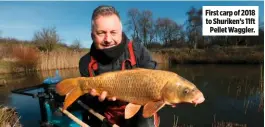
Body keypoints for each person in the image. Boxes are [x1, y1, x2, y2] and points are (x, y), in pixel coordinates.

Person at [78, 5, 157, 127]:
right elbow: (87, 99)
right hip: (106, 114)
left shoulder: (138, 51)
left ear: (121, 32)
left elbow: (156, 81)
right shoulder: (85, 62)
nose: (108, 39)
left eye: (113, 32)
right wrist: (98, 99)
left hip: (139, 113)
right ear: (92, 35)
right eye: (101, 33)